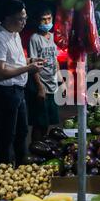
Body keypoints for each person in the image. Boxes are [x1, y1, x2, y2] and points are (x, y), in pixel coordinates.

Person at [0, 0, 43, 166]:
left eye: (25, 18)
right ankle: (5, 167)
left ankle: (21, 165)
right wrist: (28, 68)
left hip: (18, 90)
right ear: (7, 17)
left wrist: (30, 60)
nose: (24, 22)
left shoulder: (15, 34)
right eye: (20, 18)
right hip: (5, 92)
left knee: (22, 131)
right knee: (7, 133)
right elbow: (0, 72)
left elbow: (15, 61)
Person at [27, 8, 61, 143]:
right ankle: (35, 148)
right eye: (43, 19)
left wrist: (61, 81)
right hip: (40, 86)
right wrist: (40, 88)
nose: (47, 22)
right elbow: (34, 66)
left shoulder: (53, 37)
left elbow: (55, 60)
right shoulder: (34, 39)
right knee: (39, 123)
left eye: (49, 19)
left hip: (52, 85)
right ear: (38, 21)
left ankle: (43, 148)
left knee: (47, 122)